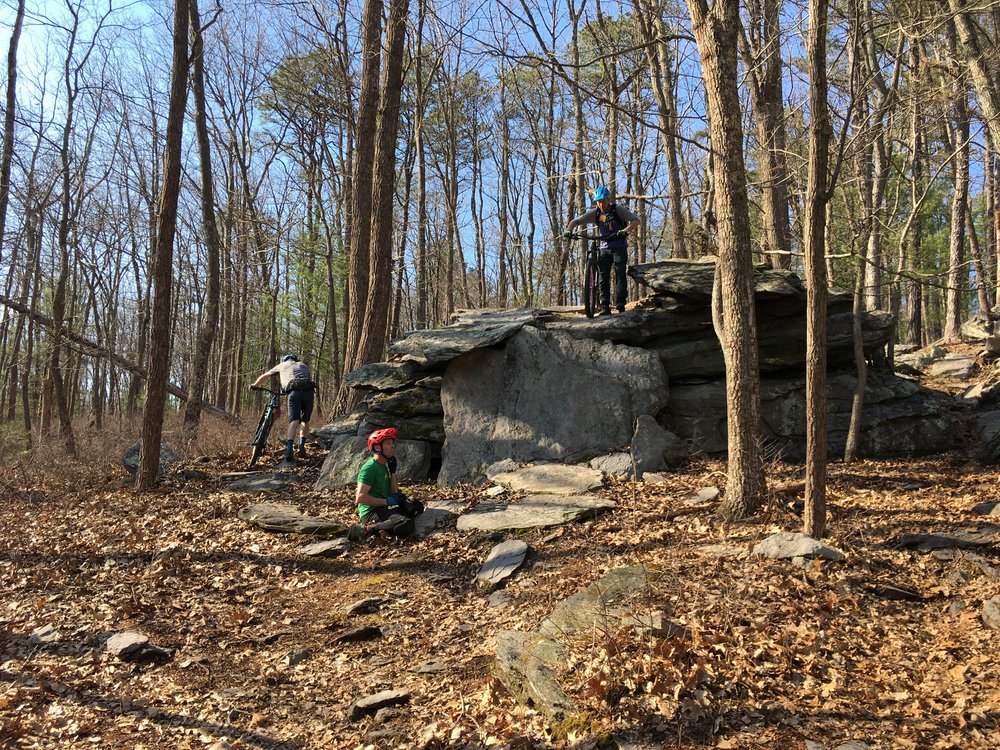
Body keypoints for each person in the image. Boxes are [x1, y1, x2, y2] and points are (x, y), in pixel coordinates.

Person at [564, 186, 640, 315]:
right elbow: (576, 221)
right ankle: (605, 305)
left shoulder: (617, 209)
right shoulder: (596, 213)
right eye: (598, 201)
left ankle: (620, 303)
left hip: (619, 247)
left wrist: (624, 231)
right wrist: (568, 230)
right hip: (604, 248)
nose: (600, 204)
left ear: (608, 199)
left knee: (620, 273)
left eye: (603, 201)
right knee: (602, 277)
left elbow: (636, 221)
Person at [350, 427, 423, 541]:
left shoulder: (383, 466)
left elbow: (394, 491)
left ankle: (386, 529)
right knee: (405, 523)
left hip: (384, 507)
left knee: (416, 508)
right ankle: (365, 530)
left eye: (392, 443)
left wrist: (393, 471)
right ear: (378, 447)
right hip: (371, 512)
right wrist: (387, 501)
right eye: (388, 443)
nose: (393, 446)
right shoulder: (370, 468)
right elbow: (360, 498)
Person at [250, 353, 314, 463]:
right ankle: (301, 446)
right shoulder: (303, 365)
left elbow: (265, 376)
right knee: (305, 420)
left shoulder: (282, 365)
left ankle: (289, 449)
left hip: (294, 393)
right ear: (295, 359)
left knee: (294, 421)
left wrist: (255, 385)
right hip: (308, 393)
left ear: (285, 360)